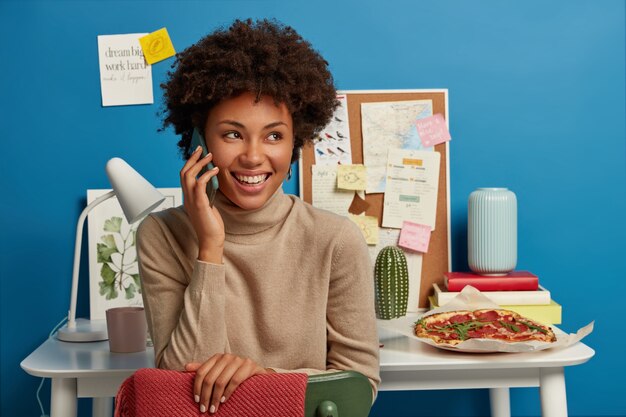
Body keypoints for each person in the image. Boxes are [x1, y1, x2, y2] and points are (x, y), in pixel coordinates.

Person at [137, 18, 380, 415]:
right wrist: (210, 247)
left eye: (273, 135)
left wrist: (258, 380)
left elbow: (357, 389)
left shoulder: (335, 239)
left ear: (296, 142)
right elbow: (179, 387)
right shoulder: (161, 235)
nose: (253, 156)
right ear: (200, 141)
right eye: (233, 134)